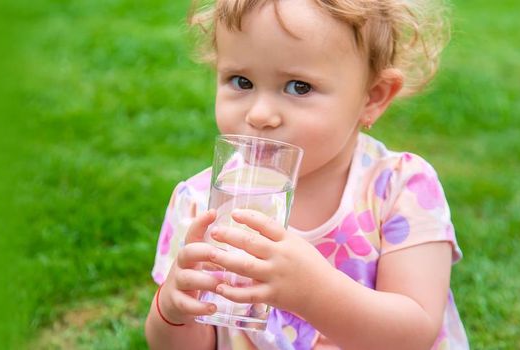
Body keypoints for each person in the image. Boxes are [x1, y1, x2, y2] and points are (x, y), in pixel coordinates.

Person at [144, 0, 468, 349]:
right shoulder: (200, 203)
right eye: (241, 81)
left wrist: (313, 293)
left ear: (372, 98)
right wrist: (173, 309)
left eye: (299, 87)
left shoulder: (400, 188)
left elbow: (414, 333)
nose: (261, 114)